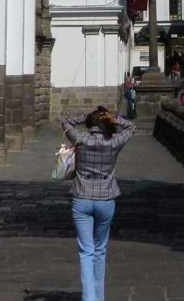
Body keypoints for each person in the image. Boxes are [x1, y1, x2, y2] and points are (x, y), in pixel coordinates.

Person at [62, 105, 134, 301]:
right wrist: (115, 118)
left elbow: (65, 122)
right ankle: (99, 297)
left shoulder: (81, 139)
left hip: (82, 199)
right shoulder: (114, 142)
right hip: (106, 199)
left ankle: (89, 298)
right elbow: (131, 128)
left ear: (90, 124)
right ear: (105, 123)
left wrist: (84, 117)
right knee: (100, 250)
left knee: (86, 251)